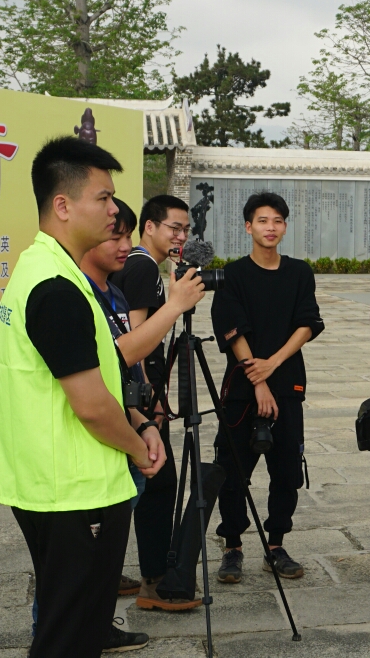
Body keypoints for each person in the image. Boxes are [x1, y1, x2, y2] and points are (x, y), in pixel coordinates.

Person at [0, 137, 164, 658]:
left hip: (47, 481)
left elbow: (84, 373)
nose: (114, 211)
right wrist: (136, 446)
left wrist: (137, 418)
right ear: (63, 205)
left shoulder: (44, 268)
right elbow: (87, 404)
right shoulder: (56, 288)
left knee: (67, 622)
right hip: (71, 489)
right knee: (72, 633)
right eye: (104, 198)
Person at [210, 192, 324, 583]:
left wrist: (272, 364)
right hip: (243, 391)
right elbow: (232, 329)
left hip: (288, 384)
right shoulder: (232, 275)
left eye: (277, 220)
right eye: (262, 220)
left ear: (285, 226)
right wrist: (256, 379)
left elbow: (307, 323)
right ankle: (232, 547)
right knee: (232, 470)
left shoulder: (299, 273)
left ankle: (276, 544)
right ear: (248, 226)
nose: (270, 227)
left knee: (287, 470)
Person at [109, 194, 207, 612]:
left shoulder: (138, 264)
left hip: (140, 393)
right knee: (156, 483)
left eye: (185, 230)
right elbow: (136, 338)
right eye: (173, 228)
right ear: (149, 227)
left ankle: (116, 571)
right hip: (142, 396)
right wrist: (153, 399)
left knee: (141, 482)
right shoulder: (142, 265)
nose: (180, 236)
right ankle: (155, 579)